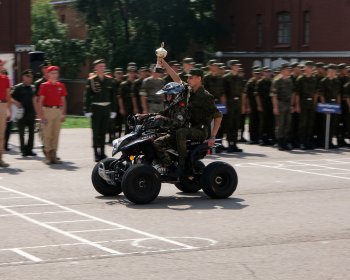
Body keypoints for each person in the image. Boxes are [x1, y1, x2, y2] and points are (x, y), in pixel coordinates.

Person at [160, 58, 222, 176]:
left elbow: (218, 116)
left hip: (201, 130)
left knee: (181, 132)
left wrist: (212, 137)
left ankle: (182, 165)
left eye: (191, 77)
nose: (188, 79)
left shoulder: (206, 97)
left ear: (199, 78)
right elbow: (177, 78)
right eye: (188, 77)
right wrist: (164, 63)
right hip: (189, 128)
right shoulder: (188, 91)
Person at [137, 82, 189, 171]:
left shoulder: (181, 107)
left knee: (158, 143)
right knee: (147, 137)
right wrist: (144, 115)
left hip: (177, 134)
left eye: (169, 95)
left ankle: (170, 167)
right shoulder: (171, 105)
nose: (167, 97)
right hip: (169, 132)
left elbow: (177, 124)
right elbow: (159, 114)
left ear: (176, 95)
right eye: (166, 95)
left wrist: (162, 118)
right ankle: (154, 162)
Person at [84, 59, 117, 162]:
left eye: (103, 66)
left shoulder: (109, 80)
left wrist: (113, 110)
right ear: (95, 68)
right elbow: (87, 96)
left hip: (106, 108)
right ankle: (95, 153)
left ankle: (102, 153)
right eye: (100, 66)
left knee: (103, 132)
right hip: (96, 108)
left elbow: (113, 96)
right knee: (96, 132)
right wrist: (87, 109)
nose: (102, 68)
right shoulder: (91, 80)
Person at [37, 66, 67, 164]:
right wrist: (41, 116)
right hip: (47, 110)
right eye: (52, 73)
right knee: (47, 134)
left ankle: (54, 155)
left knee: (56, 134)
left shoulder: (61, 85)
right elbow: (40, 101)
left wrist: (63, 113)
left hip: (57, 111)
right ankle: (48, 156)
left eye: (56, 73)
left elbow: (63, 101)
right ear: (48, 75)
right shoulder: (44, 85)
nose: (55, 75)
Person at [11, 69, 37, 156]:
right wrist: (16, 102)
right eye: (28, 76)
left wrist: (37, 112)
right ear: (23, 77)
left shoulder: (33, 88)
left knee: (31, 133)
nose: (30, 78)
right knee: (22, 133)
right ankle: (23, 150)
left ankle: (29, 149)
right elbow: (10, 97)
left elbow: (35, 100)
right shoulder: (18, 87)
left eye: (31, 77)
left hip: (31, 113)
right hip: (21, 114)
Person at [294, 61, 318, 149]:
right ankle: (301, 142)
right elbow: (297, 94)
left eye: (311, 67)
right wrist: (297, 105)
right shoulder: (300, 79)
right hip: (303, 103)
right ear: (305, 68)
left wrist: (314, 104)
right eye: (309, 67)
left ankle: (308, 142)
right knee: (302, 124)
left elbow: (316, 93)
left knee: (310, 123)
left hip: (311, 104)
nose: (310, 69)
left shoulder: (314, 79)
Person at [271, 63, 294, 151]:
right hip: (280, 103)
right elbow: (274, 95)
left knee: (287, 124)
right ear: (283, 70)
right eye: (288, 69)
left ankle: (285, 141)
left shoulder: (289, 80)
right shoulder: (277, 80)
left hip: (288, 104)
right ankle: (280, 142)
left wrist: (292, 105)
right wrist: (275, 107)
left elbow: (291, 94)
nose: (289, 71)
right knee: (280, 124)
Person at [223, 60, 245, 152]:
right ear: (231, 66)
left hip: (237, 103)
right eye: (235, 66)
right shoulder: (226, 78)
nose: (237, 67)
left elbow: (242, 93)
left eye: (238, 66)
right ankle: (229, 144)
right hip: (229, 103)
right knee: (229, 124)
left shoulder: (240, 78)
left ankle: (235, 144)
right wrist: (224, 106)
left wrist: (243, 105)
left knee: (236, 124)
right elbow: (223, 93)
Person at [318, 64, 341, 148]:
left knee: (333, 124)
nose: (332, 73)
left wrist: (338, 105)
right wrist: (324, 106)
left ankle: (330, 141)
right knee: (325, 124)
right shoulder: (323, 81)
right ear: (328, 72)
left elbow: (338, 94)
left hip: (334, 105)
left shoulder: (337, 81)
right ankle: (324, 142)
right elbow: (321, 95)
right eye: (330, 71)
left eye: (334, 71)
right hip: (326, 104)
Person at [255, 66, 275, 146]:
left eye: (268, 72)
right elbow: (257, 95)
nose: (267, 73)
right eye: (266, 72)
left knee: (270, 123)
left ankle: (269, 138)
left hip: (270, 105)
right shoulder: (260, 82)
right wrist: (259, 105)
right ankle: (262, 139)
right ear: (263, 73)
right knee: (262, 123)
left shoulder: (272, 82)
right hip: (263, 105)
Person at [117, 66, 139, 135]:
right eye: (130, 73)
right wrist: (121, 108)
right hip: (127, 107)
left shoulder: (137, 83)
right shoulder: (123, 84)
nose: (132, 74)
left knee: (136, 125)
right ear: (127, 73)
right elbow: (120, 97)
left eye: (133, 73)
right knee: (127, 126)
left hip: (137, 108)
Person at [243, 67, 261, 144]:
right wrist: (247, 106)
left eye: (258, 73)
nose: (257, 75)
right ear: (253, 73)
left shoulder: (260, 82)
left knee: (259, 122)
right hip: (252, 105)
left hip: (259, 106)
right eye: (256, 73)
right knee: (252, 122)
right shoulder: (250, 83)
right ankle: (252, 138)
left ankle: (257, 138)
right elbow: (246, 96)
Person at [0, 59, 11, 167]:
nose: (2, 67)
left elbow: (8, 95)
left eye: (2, 65)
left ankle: (0, 158)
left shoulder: (5, 79)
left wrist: (9, 110)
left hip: (2, 105)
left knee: (1, 133)